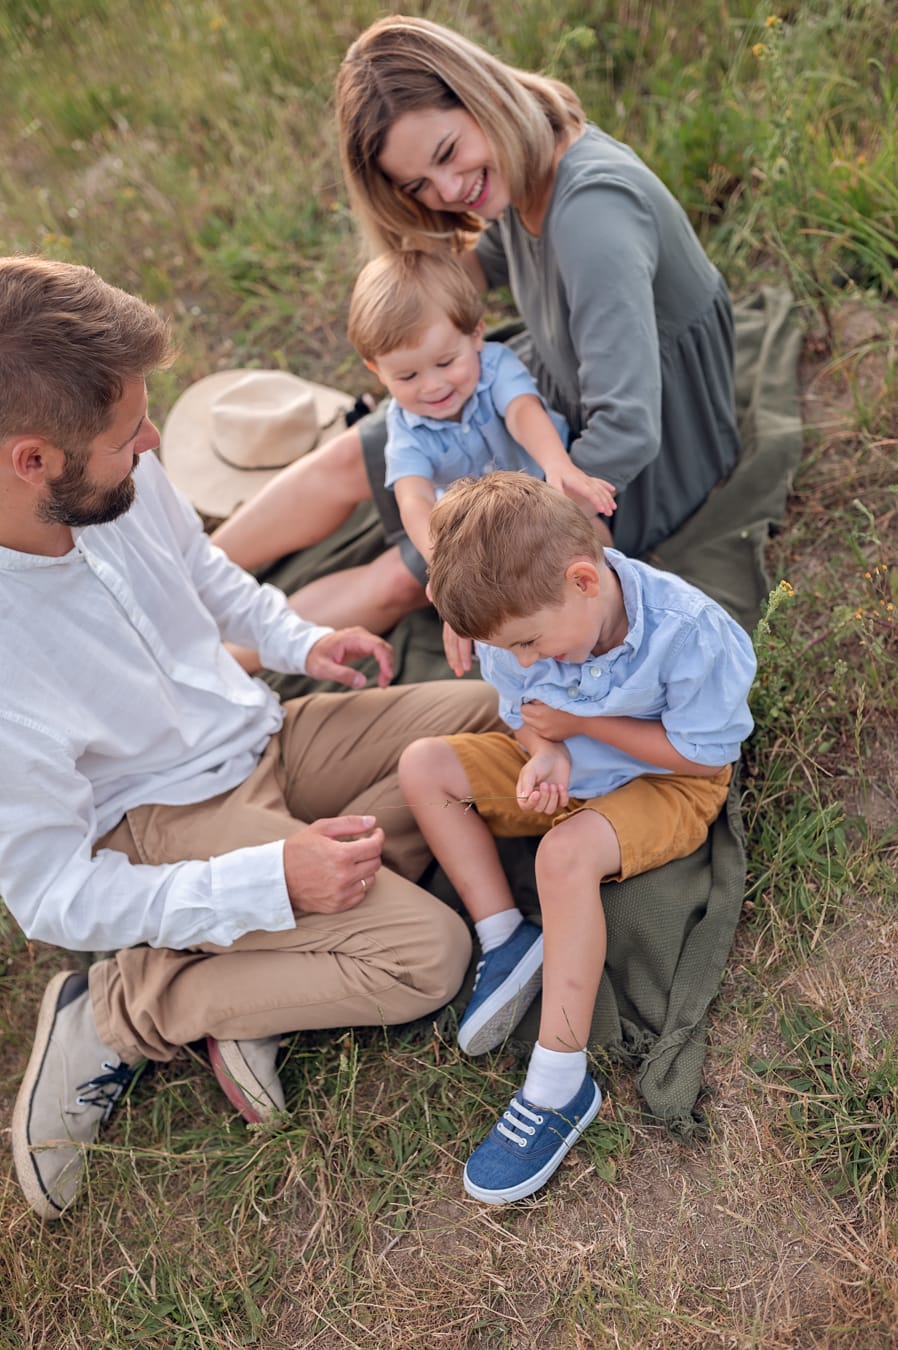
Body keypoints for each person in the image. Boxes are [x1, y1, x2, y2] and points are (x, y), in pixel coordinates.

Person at [0, 255, 500, 1221]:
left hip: (261, 730)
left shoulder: (114, 477)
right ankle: (125, 1007)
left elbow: (205, 573)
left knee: (486, 718)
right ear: (33, 461)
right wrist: (269, 881)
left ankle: (261, 971)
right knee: (428, 957)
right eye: (127, 434)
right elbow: (52, 895)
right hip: (163, 818)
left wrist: (301, 640)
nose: (152, 441)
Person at [210, 13, 739, 648]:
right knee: (364, 448)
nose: (450, 190)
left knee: (406, 575)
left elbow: (629, 427)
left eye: (447, 154)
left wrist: (489, 541)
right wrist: (406, 303)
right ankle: (185, 570)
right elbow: (489, 261)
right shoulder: (522, 168)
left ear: (481, 96)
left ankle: (209, 668)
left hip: (627, 455)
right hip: (554, 388)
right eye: (418, 185)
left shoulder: (592, 214)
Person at [398, 473, 757, 1203]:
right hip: (575, 763)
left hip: (666, 781)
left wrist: (584, 726)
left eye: (529, 642)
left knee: (563, 855)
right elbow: (527, 714)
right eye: (511, 649)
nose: (525, 661)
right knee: (425, 765)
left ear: (584, 581)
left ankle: (560, 1082)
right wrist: (546, 754)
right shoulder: (522, 630)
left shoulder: (690, 632)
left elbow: (703, 758)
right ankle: (505, 938)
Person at [347, 248, 615, 567]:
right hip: (481, 527)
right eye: (408, 376)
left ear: (476, 334)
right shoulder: (405, 425)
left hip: (542, 491)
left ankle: (620, 584)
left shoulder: (493, 366)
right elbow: (413, 496)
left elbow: (522, 411)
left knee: (592, 535)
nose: (432, 386)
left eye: (446, 363)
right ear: (377, 370)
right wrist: (439, 561)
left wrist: (557, 463)